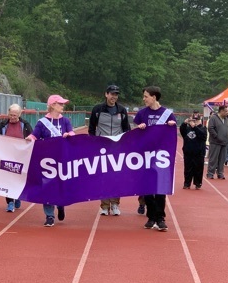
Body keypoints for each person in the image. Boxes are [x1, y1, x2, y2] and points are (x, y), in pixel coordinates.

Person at [27, 94, 75, 227]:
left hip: (62, 159)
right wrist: (29, 139)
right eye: (60, 104)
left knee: (61, 185)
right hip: (47, 161)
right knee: (47, 187)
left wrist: (69, 135)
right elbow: (34, 135)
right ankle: (49, 215)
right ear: (53, 105)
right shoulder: (42, 122)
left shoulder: (65, 121)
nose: (63, 106)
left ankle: (60, 205)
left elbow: (72, 134)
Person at [134, 86, 177, 232]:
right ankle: (151, 217)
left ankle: (160, 218)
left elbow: (172, 134)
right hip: (145, 156)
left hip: (161, 156)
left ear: (154, 97)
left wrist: (171, 126)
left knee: (160, 188)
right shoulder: (141, 114)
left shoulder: (167, 114)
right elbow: (134, 134)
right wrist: (139, 128)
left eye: (146, 96)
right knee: (147, 188)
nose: (144, 99)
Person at [88, 84, 130, 215]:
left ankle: (115, 204)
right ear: (106, 94)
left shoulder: (122, 110)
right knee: (103, 176)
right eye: (112, 94)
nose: (114, 97)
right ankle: (105, 206)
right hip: (102, 148)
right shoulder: (97, 109)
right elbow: (91, 128)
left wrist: (125, 143)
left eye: (116, 94)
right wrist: (94, 143)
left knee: (117, 176)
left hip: (117, 148)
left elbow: (126, 128)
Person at [0, 104, 33, 212]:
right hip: (6, 155)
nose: (12, 117)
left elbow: (32, 137)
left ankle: (17, 196)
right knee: (7, 180)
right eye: (11, 115)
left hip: (21, 157)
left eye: (15, 115)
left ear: (19, 114)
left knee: (18, 179)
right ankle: (10, 202)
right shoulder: (3, 125)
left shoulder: (25, 124)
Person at [180, 113, 207, 189]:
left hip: (198, 153)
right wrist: (184, 123)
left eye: (197, 120)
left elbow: (203, 136)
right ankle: (187, 183)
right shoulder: (187, 129)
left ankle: (198, 183)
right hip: (188, 152)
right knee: (188, 169)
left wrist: (195, 127)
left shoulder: (203, 128)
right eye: (193, 120)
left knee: (198, 169)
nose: (194, 122)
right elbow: (182, 131)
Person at [206, 105, 228, 180]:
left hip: (225, 142)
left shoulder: (226, 119)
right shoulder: (213, 118)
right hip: (215, 142)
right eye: (226, 111)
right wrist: (216, 136)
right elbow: (210, 128)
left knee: (222, 159)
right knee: (213, 158)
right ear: (221, 111)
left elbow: (227, 129)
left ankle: (220, 173)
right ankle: (210, 173)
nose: (227, 113)